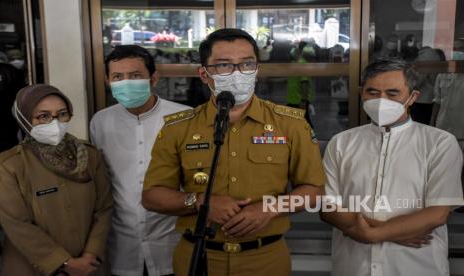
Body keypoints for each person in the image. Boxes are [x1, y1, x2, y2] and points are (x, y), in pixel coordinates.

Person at [142, 28, 326, 276]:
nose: (238, 73)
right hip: (199, 258)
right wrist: (199, 202)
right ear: (204, 74)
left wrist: (270, 208)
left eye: (247, 64)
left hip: (266, 259)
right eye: (223, 66)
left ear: (257, 70)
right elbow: (152, 196)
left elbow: (314, 191)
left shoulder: (291, 124)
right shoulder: (179, 127)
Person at [320, 58, 464, 276]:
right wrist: (390, 233)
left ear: (413, 97)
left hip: (417, 266)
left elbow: (437, 213)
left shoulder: (439, 143)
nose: (381, 100)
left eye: (392, 93)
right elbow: (328, 207)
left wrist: (369, 234)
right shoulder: (341, 143)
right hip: (353, 267)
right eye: (373, 92)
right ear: (362, 93)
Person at [90, 45, 189, 276]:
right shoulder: (100, 122)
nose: (126, 82)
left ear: (153, 78)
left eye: (135, 76)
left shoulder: (183, 118)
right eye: (117, 77)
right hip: (122, 244)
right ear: (107, 81)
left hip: (172, 240)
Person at [0, 84, 113, 276]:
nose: (55, 123)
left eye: (61, 114)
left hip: (90, 267)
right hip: (32, 268)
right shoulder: (9, 166)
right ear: (25, 120)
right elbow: (18, 225)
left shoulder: (90, 156)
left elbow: (104, 208)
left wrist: (90, 255)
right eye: (43, 116)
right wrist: (64, 263)